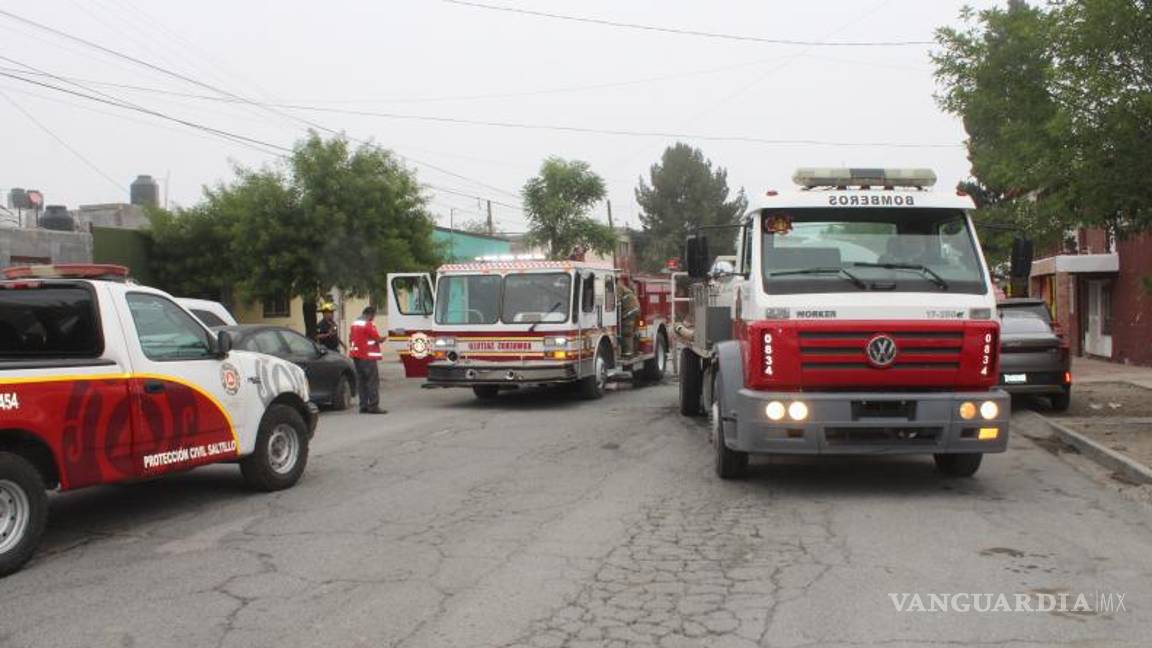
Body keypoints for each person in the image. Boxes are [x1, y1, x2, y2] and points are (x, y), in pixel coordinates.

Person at [349, 306, 387, 414]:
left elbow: (351, 337)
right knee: (372, 381)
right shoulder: (368, 324)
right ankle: (374, 406)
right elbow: (377, 338)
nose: (373, 318)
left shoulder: (354, 323)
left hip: (357, 356)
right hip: (368, 357)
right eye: (374, 315)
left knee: (362, 382)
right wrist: (383, 339)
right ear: (370, 314)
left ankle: (363, 405)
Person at [617, 277, 640, 357]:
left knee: (626, 332)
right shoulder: (624, 287)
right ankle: (636, 351)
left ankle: (628, 354)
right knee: (634, 331)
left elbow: (617, 301)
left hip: (629, 313)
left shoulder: (618, 287)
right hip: (635, 311)